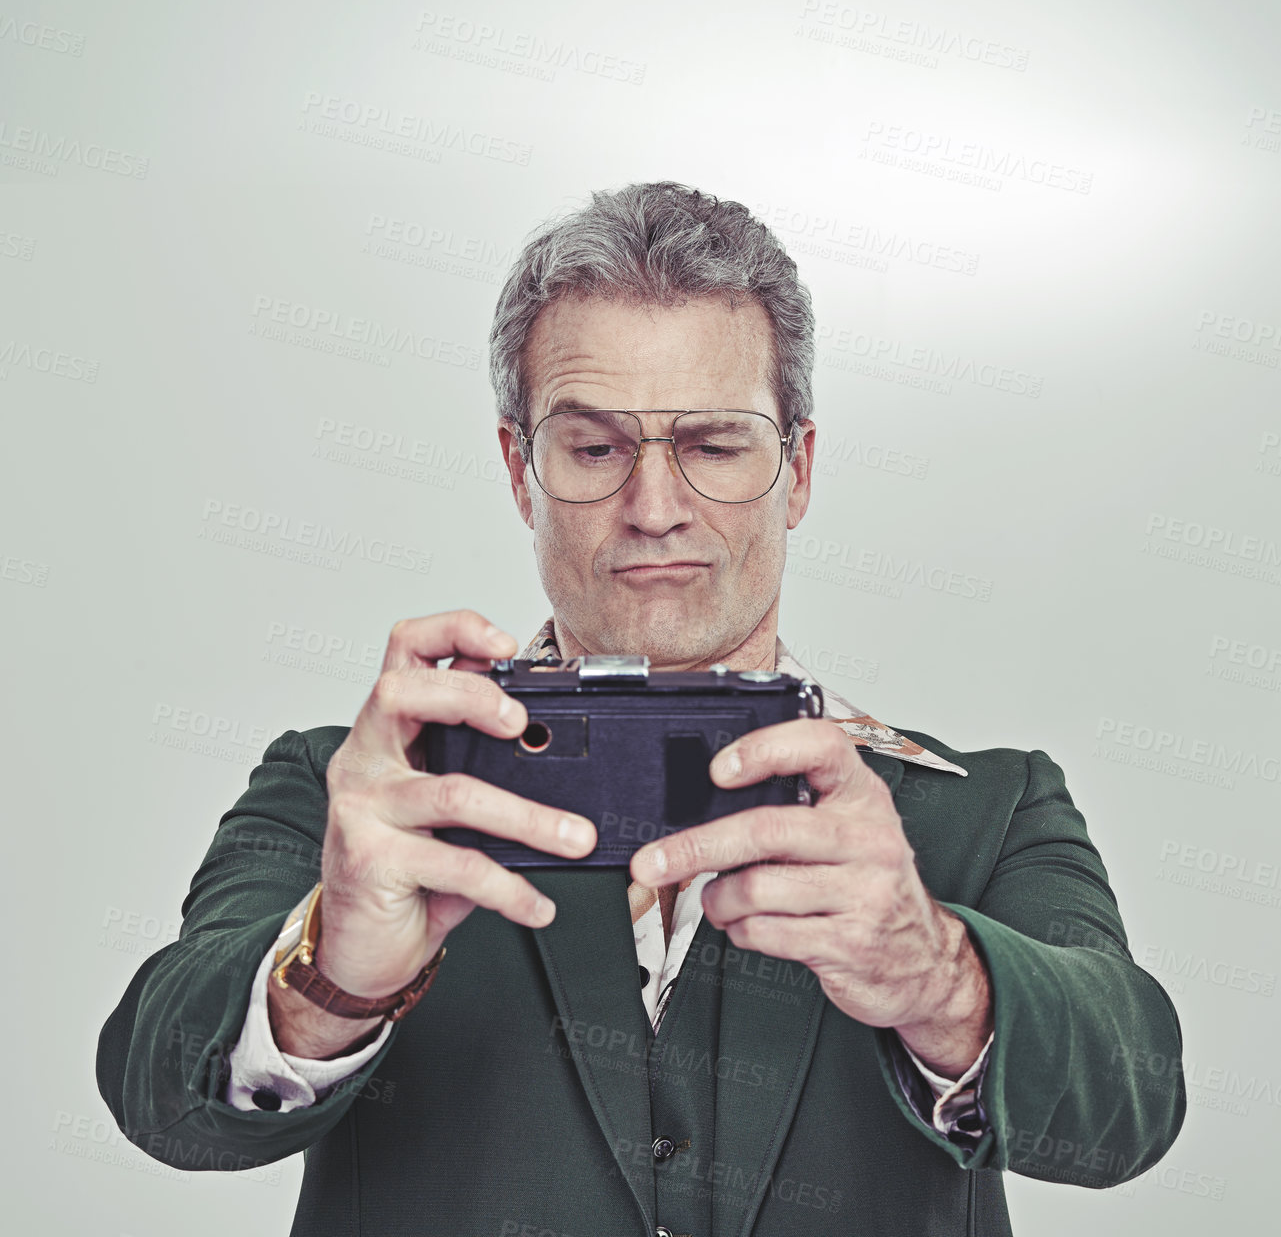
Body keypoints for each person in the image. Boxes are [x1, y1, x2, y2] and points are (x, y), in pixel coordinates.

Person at [98, 182, 1185, 1236]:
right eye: (593, 449)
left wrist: (938, 977)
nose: (655, 509)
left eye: (714, 446)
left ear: (796, 471)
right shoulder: (360, 797)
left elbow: (1130, 1108)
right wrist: (327, 978)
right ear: (521, 475)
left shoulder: (988, 810)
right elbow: (161, 1099)